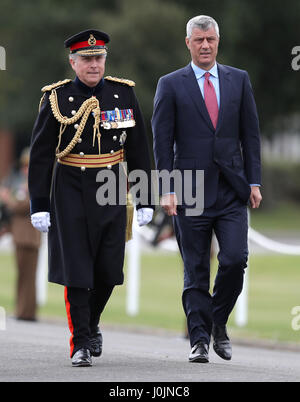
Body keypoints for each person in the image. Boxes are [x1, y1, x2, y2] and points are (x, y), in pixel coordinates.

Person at [29, 29, 154, 367]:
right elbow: (41, 156)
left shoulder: (123, 94)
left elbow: (139, 149)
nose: (94, 64)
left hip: (111, 184)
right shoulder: (56, 98)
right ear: (73, 62)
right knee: (77, 268)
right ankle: (80, 342)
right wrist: (39, 204)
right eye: (86, 59)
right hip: (70, 184)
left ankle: (92, 323)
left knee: (109, 268)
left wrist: (145, 198)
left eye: (98, 58)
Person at [152, 15, 262, 363]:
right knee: (196, 269)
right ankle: (199, 341)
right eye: (198, 39)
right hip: (189, 191)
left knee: (234, 260)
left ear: (218, 41)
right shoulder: (170, 84)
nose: (205, 45)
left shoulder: (238, 80)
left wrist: (254, 182)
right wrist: (166, 188)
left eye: (210, 39)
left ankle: (217, 321)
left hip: (231, 190)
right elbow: (161, 140)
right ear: (188, 42)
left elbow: (251, 135)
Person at [0, 148, 41, 321]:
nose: (25, 170)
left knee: (27, 276)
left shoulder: (34, 183)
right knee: (24, 275)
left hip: (28, 237)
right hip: (21, 235)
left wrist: (6, 198)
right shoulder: (24, 183)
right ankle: (22, 309)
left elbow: (22, 206)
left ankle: (26, 312)